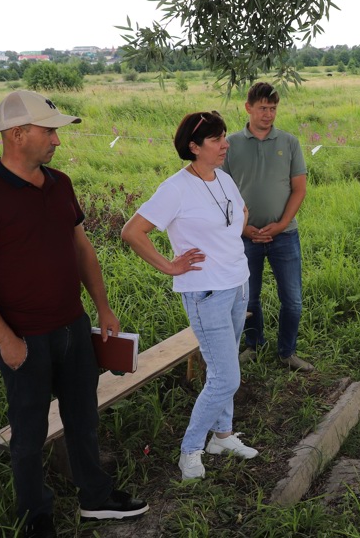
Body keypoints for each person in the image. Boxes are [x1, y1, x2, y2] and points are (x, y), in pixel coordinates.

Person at [0, 91, 149, 538]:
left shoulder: (60, 183)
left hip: (73, 327)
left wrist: (101, 307)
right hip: (23, 337)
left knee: (84, 417)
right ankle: (35, 515)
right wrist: (6, 340)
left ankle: (95, 498)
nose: (57, 140)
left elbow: (81, 247)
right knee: (28, 431)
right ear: (18, 134)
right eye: (49, 130)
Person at [121, 111, 259, 481]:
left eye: (224, 137)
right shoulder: (176, 188)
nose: (225, 144)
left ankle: (223, 436)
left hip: (236, 285)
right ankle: (190, 450)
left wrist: (226, 244)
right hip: (206, 292)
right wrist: (169, 266)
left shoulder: (223, 178)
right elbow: (133, 232)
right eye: (216, 140)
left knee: (227, 366)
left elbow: (241, 211)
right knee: (225, 377)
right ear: (194, 147)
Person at [222, 82, 314, 372]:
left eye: (273, 108)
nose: (268, 114)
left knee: (293, 300)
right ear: (248, 107)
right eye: (263, 108)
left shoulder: (289, 143)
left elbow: (299, 189)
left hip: (284, 236)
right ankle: (254, 343)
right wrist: (242, 228)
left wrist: (281, 224)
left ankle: (287, 352)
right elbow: (222, 192)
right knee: (249, 297)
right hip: (244, 237)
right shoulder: (231, 145)